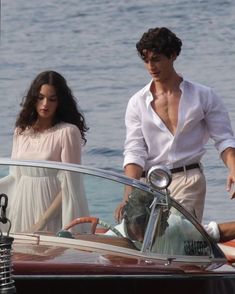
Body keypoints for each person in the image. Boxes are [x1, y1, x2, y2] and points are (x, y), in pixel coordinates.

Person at [115, 27, 235, 223]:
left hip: (189, 178)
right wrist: (128, 194)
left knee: (176, 234)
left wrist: (233, 168)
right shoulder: (137, 102)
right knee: (147, 243)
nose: (151, 66)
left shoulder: (203, 95)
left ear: (172, 55)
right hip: (149, 183)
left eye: (156, 59)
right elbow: (134, 152)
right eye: (146, 60)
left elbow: (224, 139)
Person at [0, 70, 89, 233]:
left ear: (60, 102)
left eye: (52, 99)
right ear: (33, 99)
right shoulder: (21, 132)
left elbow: (71, 185)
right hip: (23, 207)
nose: (45, 104)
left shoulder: (67, 132)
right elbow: (15, 178)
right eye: (40, 98)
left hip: (51, 214)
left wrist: (42, 221)